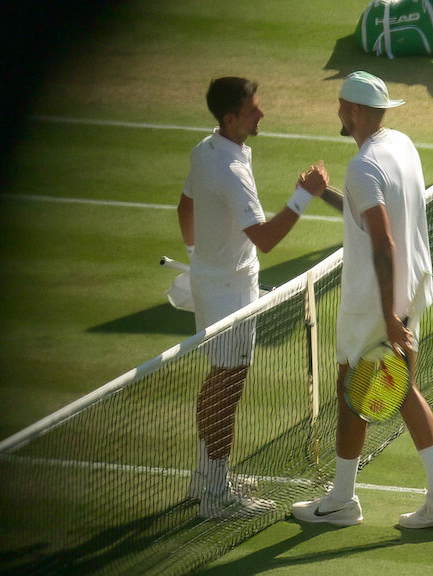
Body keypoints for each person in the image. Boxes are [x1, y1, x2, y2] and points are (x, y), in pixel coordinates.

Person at [291, 71, 433, 528]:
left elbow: (382, 243)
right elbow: (365, 211)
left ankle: (342, 501)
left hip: (374, 302)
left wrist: (387, 315)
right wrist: (320, 192)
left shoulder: (363, 165)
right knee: (401, 389)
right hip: (412, 289)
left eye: (342, 106)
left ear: (356, 111)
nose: (338, 113)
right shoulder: (400, 145)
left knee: (353, 391)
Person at [177, 76, 329, 518]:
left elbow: (185, 208)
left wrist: (198, 259)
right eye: (252, 110)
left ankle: (206, 477)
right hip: (231, 294)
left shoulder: (205, 151)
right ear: (230, 119)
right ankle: (215, 495)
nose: (261, 114)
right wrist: (305, 195)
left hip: (213, 283)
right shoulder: (231, 170)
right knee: (227, 388)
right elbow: (265, 239)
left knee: (218, 382)